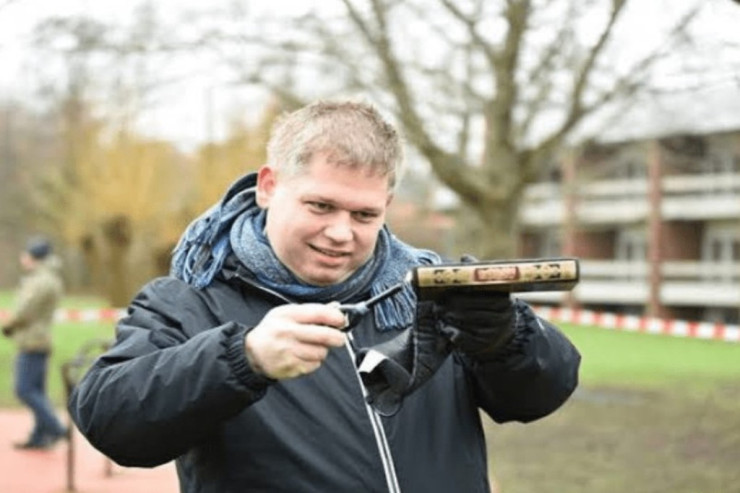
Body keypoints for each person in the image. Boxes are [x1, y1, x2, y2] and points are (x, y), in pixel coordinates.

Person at [68, 100, 581, 492]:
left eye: (364, 215)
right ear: (269, 186)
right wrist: (242, 359)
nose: (341, 233)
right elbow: (110, 420)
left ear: (388, 204)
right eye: (320, 205)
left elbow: (540, 396)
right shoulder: (191, 299)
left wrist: (504, 337)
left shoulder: (431, 290)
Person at [2, 237, 68, 450]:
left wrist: (8, 325)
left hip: (33, 340)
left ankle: (55, 428)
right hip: (38, 338)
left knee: (25, 389)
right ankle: (40, 435)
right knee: (37, 390)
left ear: (34, 257)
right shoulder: (45, 278)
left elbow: (25, 310)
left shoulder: (41, 280)